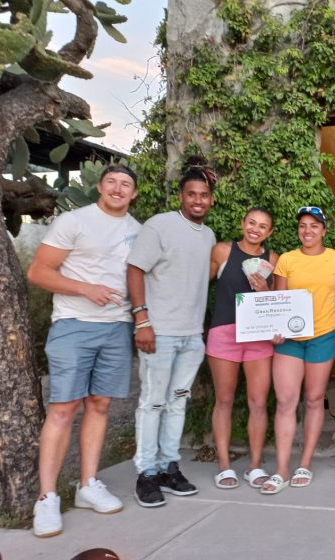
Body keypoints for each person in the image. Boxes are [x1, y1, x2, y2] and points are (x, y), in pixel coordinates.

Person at [27, 164, 141, 538]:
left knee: (100, 404)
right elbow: (39, 272)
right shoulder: (74, 221)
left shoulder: (137, 231)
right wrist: (85, 289)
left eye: (126, 184)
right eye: (112, 182)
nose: (118, 189)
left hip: (116, 327)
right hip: (74, 324)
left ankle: (88, 485)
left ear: (134, 194)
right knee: (63, 408)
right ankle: (46, 498)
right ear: (100, 187)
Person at [128, 159, 216, 508]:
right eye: (191, 194)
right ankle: (146, 473)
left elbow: (197, 276)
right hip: (159, 333)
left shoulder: (208, 235)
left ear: (211, 200)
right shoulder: (159, 226)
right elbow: (135, 269)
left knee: (177, 402)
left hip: (191, 337)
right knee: (152, 402)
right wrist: (142, 320)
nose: (198, 200)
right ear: (181, 196)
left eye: (204, 195)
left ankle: (168, 466)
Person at [261, 206, 335, 494]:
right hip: (291, 339)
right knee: (285, 401)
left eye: (314, 226)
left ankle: (304, 463)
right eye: (303, 226)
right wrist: (275, 326)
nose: (307, 231)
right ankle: (281, 469)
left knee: (313, 398)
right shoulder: (287, 259)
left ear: (324, 230)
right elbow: (280, 299)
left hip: (324, 335)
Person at [207, 208, 279, 489]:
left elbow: (278, 303)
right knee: (223, 400)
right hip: (224, 332)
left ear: (269, 233)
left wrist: (266, 292)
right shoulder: (222, 251)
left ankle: (255, 466)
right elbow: (202, 285)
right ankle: (224, 466)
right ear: (242, 223)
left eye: (263, 226)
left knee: (258, 403)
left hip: (259, 337)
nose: (255, 229)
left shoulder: (272, 259)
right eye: (252, 223)